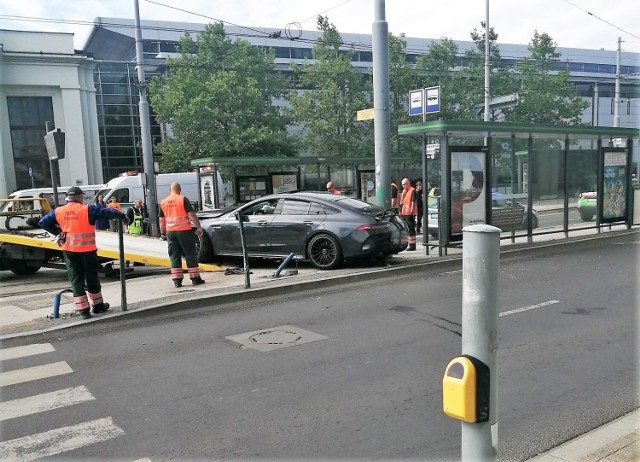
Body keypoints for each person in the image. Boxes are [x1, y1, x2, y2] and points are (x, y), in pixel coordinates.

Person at [38, 186, 129, 319]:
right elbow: (106, 212)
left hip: (69, 251)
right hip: (88, 251)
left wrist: (58, 233)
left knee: (76, 279)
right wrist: (122, 216)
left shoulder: (58, 211)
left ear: (68, 198)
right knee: (92, 278)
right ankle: (98, 306)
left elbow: (43, 222)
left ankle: (83, 310)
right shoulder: (87, 209)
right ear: (80, 197)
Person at [159, 182, 205, 288]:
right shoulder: (182, 199)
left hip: (170, 232)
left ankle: (177, 281)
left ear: (170, 190)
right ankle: (195, 278)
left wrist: (163, 233)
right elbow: (191, 214)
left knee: (174, 256)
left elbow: (161, 220)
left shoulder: (163, 202)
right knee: (190, 254)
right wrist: (198, 227)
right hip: (184, 231)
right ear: (179, 189)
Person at [399, 178, 418, 251]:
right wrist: (400, 210)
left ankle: (412, 245)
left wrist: (411, 212)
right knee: (408, 229)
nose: (403, 186)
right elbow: (402, 202)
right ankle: (410, 244)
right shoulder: (404, 191)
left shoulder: (412, 190)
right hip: (405, 213)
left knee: (411, 229)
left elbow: (413, 202)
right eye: (402, 185)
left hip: (410, 213)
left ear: (408, 183)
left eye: (404, 184)